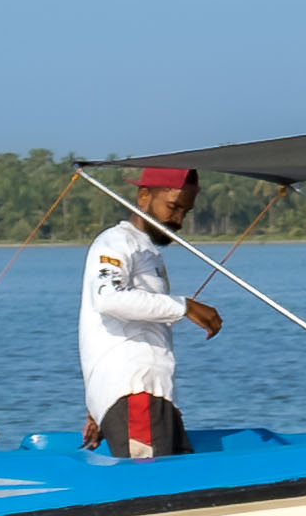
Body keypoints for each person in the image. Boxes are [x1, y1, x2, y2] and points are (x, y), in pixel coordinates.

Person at [79, 164, 222, 457]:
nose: (178, 219)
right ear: (143, 196)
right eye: (173, 207)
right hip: (136, 393)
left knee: (173, 476)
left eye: (185, 212)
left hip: (152, 393)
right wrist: (184, 306)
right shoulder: (117, 242)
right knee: (149, 479)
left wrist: (98, 405)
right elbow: (108, 299)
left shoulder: (146, 250)